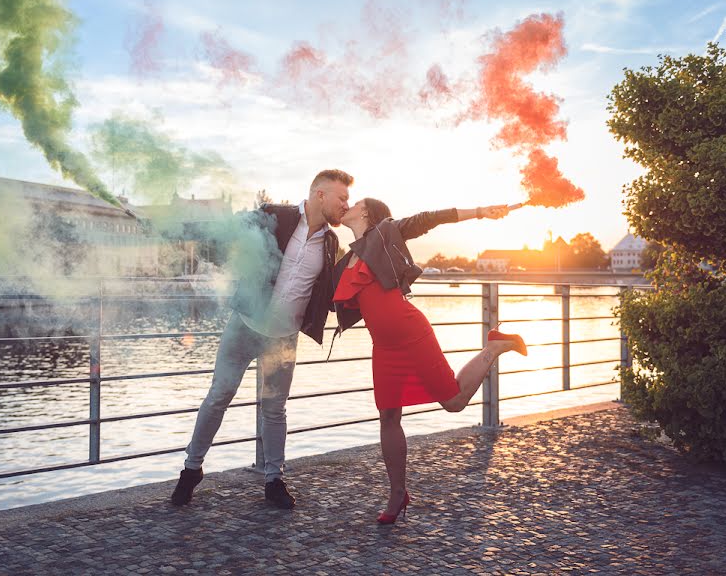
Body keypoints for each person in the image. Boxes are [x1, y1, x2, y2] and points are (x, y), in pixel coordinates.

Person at [331, 199, 527, 524]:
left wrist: (479, 210)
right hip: (383, 346)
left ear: (366, 212)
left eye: (355, 202)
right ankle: (397, 493)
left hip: (411, 332)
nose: (347, 204)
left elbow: (429, 219)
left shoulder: (386, 231)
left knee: (453, 401)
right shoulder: (343, 261)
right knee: (388, 417)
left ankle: (492, 348)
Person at [171, 169, 353, 509]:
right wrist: (178, 231)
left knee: (274, 410)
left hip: (283, 339)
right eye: (342, 198)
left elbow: (326, 292)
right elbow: (227, 233)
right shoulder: (275, 215)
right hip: (245, 325)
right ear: (320, 195)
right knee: (219, 395)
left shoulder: (331, 242)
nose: (346, 204)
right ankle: (191, 471)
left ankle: (274, 480)